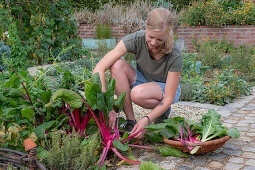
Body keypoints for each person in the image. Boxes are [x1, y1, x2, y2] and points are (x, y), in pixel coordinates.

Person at [93, 8, 182, 139]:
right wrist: (106, 106)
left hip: (168, 90)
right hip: (143, 81)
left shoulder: (175, 54)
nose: (153, 43)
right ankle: (131, 122)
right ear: (146, 25)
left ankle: (162, 111)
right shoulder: (136, 39)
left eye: (160, 39)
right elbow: (99, 68)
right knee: (117, 65)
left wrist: (146, 119)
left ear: (168, 34)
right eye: (151, 37)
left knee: (137, 94)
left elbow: (168, 97)